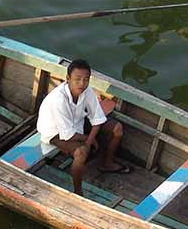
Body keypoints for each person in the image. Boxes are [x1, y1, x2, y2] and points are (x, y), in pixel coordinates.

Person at [36, 59, 131, 195]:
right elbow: (67, 135)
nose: (82, 83)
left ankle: (108, 163)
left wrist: (89, 140)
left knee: (117, 128)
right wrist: (88, 140)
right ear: (68, 78)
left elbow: (98, 119)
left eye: (86, 79)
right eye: (77, 79)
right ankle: (78, 192)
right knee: (81, 153)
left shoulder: (87, 91)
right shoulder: (59, 99)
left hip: (77, 122)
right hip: (55, 132)